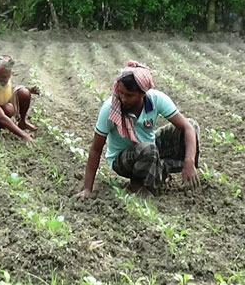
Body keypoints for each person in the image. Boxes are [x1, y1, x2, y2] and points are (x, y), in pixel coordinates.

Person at [75, 60, 200, 198]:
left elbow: (187, 127)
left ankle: (167, 170)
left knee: (191, 126)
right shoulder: (109, 109)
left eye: (129, 95)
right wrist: (87, 188)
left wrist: (190, 161)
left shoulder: (156, 99)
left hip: (148, 149)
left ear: (142, 94)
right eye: (121, 93)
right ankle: (141, 185)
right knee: (148, 149)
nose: (123, 98)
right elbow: (96, 149)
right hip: (122, 159)